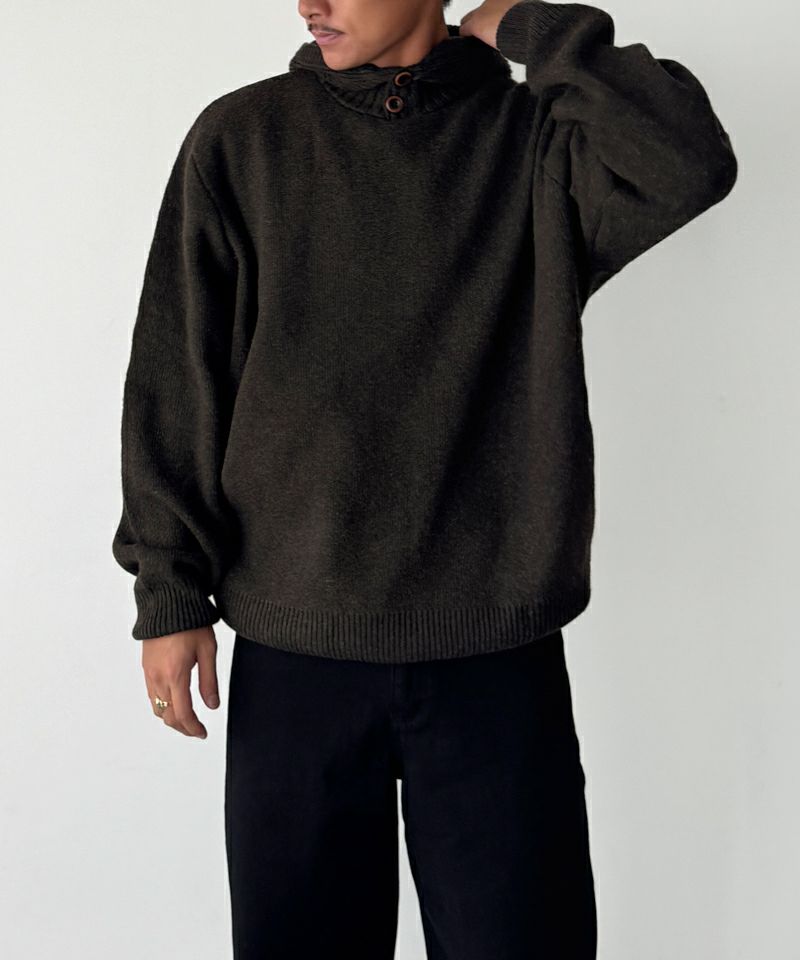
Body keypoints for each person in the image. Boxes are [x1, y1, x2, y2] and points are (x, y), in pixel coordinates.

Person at [111, 0, 737, 956]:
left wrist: (529, 28)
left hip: (496, 650)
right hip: (296, 646)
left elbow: (689, 160)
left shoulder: (536, 141)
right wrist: (169, 589)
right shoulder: (245, 138)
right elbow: (178, 372)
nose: (309, 3)